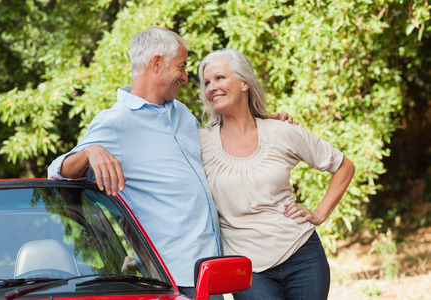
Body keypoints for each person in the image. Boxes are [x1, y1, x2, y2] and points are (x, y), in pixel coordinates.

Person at [48, 27, 292, 298]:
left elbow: (221, 142)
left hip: (209, 268)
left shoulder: (183, 115)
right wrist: (89, 151)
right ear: (156, 63)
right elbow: (57, 173)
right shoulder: (116, 122)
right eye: (181, 67)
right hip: (172, 274)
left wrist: (262, 123)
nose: (186, 78)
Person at [197, 49, 355, 300]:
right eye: (206, 82)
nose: (211, 87)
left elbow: (343, 166)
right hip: (247, 270)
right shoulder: (200, 142)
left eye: (219, 78)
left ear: (244, 83)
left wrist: (320, 213)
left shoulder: (282, 131)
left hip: (302, 255)